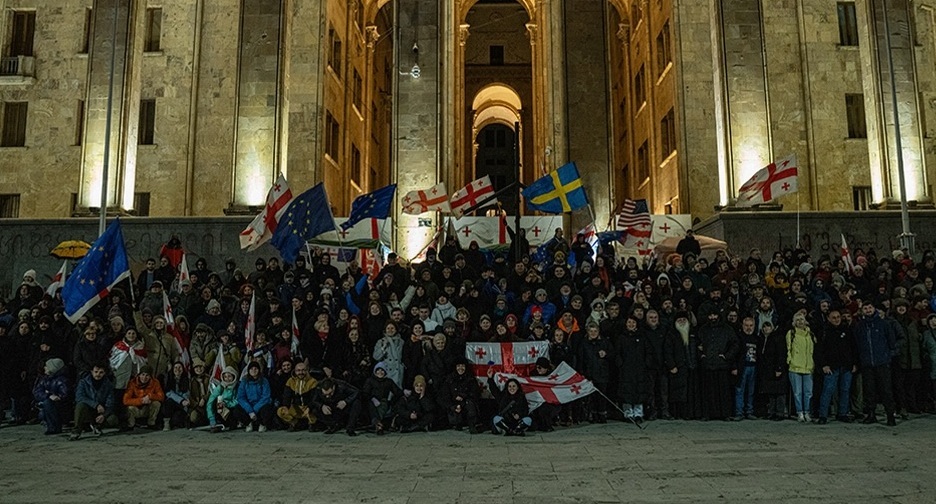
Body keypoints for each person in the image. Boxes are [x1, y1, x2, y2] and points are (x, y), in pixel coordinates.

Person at [853, 302, 898, 426]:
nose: (868, 310)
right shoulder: (860, 326)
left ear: (874, 309)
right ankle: (871, 414)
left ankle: (890, 415)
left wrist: (888, 356)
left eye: (870, 308)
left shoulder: (884, 324)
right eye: (865, 308)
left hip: (882, 363)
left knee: (886, 390)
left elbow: (892, 342)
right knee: (869, 390)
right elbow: (857, 344)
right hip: (867, 364)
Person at [816, 309, 858, 424]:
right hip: (831, 367)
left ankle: (842, 413)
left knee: (845, 390)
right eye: (833, 317)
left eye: (838, 317)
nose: (836, 319)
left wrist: (855, 363)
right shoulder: (824, 332)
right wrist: (823, 365)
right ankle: (823, 415)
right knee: (828, 390)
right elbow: (819, 350)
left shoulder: (847, 330)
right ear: (828, 319)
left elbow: (854, 347)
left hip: (846, 366)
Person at [69, 362, 118, 440]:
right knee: (80, 405)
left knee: (112, 419)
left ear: (104, 373)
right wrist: (96, 405)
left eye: (101, 372)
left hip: (100, 411)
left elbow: (110, 403)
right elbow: (79, 397)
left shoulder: (108, 385)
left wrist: (104, 415)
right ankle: (76, 431)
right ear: (92, 372)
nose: (98, 374)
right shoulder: (83, 382)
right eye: (96, 372)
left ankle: (97, 426)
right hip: (87, 409)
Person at [487, 368, 531, 436]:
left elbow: (526, 410)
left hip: (517, 423)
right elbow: (494, 390)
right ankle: (509, 431)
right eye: (509, 386)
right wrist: (490, 378)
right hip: (504, 423)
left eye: (514, 386)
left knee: (528, 420)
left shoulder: (521, 398)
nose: (511, 388)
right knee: (496, 418)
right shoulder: (502, 397)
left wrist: (519, 415)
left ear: (517, 387)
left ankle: (515, 431)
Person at [440, 358, 480, 433]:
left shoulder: (470, 378)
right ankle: (457, 424)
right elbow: (445, 395)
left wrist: (463, 396)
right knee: (454, 418)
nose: (460, 368)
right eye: (458, 366)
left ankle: (472, 425)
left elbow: (475, 392)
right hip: (453, 402)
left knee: (470, 404)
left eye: (463, 366)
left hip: (466, 402)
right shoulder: (449, 379)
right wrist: (453, 405)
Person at [362, 362, 403, 435]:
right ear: (375, 371)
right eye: (378, 370)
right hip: (371, 401)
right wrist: (372, 398)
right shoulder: (370, 380)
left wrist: (400, 394)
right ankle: (378, 424)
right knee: (371, 406)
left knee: (382, 406)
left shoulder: (388, 381)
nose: (380, 372)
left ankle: (377, 424)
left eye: (382, 370)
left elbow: (397, 392)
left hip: (383, 401)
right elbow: (365, 393)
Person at [277, 361, 319, 431]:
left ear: (307, 370)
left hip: (308, 408)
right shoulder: (290, 381)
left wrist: (309, 408)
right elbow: (287, 397)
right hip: (296, 408)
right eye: (298, 370)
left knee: (315, 410)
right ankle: (295, 423)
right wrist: (286, 406)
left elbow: (314, 398)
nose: (301, 372)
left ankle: (311, 424)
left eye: (303, 370)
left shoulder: (313, 381)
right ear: (295, 371)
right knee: (281, 411)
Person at [732, 317, 759, 420]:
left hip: (754, 367)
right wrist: (734, 367)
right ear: (742, 326)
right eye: (746, 325)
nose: (749, 328)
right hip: (742, 368)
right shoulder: (738, 337)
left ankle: (749, 411)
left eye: (751, 325)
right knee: (739, 390)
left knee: (751, 391)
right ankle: (739, 412)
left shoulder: (757, 338)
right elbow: (734, 353)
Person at [32, 358, 69, 435]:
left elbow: (64, 395)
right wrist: (48, 395)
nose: (45, 367)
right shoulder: (44, 379)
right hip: (48, 405)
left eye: (47, 366)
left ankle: (53, 427)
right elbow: (37, 392)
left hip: (60, 407)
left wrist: (52, 396)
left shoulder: (62, 380)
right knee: (46, 404)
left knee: (47, 403)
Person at [234, 361, 273, 432]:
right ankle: (248, 423)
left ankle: (262, 424)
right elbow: (241, 397)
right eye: (251, 369)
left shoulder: (264, 381)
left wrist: (254, 410)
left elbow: (266, 397)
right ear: (248, 370)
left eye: (256, 369)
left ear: (259, 370)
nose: (253, 370)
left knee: (267, 408)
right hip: (249, 407)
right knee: (237, 409)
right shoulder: (244, 381)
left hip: (260, 406)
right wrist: (250, 410)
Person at [123, 365, 165, 430]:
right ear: (139, 375)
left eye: (147, 375)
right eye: (143, 374)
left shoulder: (155, 382)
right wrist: (141, 400)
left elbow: (161, 396)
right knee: (129, 408)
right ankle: (130, 425)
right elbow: (125, 400)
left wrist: (150, 396)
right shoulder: (132, 383)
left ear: (150, 377)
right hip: (136, 409)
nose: (144, 377)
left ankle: (151, 423)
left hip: (147, 408)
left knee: (156, 403)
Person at [208, 367, 240, 432]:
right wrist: (211, 418)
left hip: (232, 409)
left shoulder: (238, 386)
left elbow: (239, 400)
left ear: (234, 376)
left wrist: (227, 404)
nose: (227, 379)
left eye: (229, 376)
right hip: (222, 410)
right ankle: (217, 422)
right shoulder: (220, 387)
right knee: (215, 402)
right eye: (225, 377)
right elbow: (210, 402)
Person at [162, 361, 191, 430]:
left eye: (180, 367)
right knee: (169, 402)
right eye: (175, 367)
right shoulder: (169, 379)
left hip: (180, 405)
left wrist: (186, 399)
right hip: (171, 403)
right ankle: (166, 422)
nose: (177, 369)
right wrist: (181, 400)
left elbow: (186, 392)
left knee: (177, 419)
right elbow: (169, 393)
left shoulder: (186, 379)